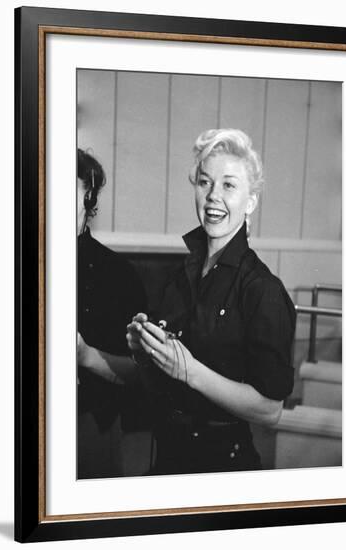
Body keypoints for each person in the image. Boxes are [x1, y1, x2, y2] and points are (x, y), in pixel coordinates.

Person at [127, 129, 296, 475]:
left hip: (223, 467)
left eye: (229, 185)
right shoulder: (180, 276)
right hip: (168, 457)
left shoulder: (263, 290)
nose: (213, 197)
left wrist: (190, 371)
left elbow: (270, 411)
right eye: (205, 183)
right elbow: (162, 378)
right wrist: (145, 351)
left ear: (251, 201)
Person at [77, 148, 147, 478]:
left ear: (88, 193)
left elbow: (141, 373)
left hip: (91, 422)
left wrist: (85, 355)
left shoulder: (118, 274)